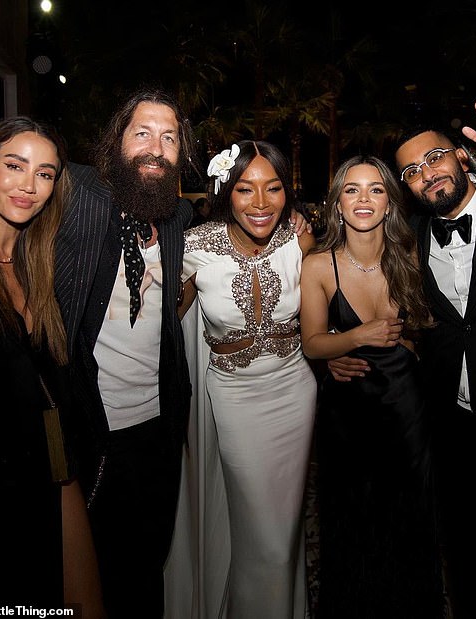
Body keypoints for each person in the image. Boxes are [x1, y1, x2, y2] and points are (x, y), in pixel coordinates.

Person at [0, 88, 310, 618]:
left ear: (183, 154)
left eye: (169, 137)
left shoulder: (180, 219)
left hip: (160, 428)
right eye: (142, 133)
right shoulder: (81, 192)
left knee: (146, 567)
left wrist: (295, 225)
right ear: (117, 142)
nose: (156, 148)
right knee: (86, 575)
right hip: (87, 429)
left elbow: (234, 244)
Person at [329, 101, 476, 619]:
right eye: (411, 171)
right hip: (454, 435)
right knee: (467, 571)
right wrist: (335, 350)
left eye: (435, 157)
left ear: (462, 156)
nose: (425, 173)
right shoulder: (412, 238)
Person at [0, 117, 104, 615]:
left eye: (46, 173)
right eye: (14, 165)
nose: (29, 185)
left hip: (45, 462)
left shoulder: (42, 257)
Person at [172, 140, 318, 619]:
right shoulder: (194, 247)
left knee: (284, 529)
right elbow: (162, 319)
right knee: (259, 531)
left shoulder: (300, 240)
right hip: (233, 401)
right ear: (225, 192)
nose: (261, 203)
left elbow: (323, 313)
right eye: (245, 189)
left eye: (273, 188)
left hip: (295, 394)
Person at [299, 155, 444, 618]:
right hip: (349, 416)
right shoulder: (319, 265)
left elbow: (435, 322)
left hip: (408, 410)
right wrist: (358, 337)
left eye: (376, 189)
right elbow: (312, 343)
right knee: (351, 519)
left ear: (389, 204)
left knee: (410, 517)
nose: (364, 199)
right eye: (352, 189)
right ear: (337, 204)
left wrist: (414, 341)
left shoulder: (412, 255)